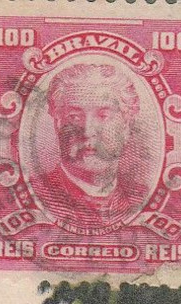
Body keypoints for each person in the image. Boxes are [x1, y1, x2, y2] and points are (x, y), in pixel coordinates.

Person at [34, 62, 146, 232]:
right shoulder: (35, 196)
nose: (88, 131)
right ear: (58, 124)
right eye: (75, 117)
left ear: (127, 126)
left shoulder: (142, 198)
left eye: (103, 116)